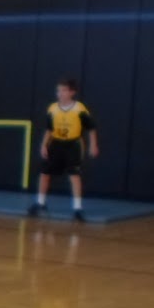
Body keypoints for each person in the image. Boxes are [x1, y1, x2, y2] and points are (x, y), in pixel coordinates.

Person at [28, 78, 99, 222]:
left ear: (72, 92)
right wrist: (43, 145)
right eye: (58, 90)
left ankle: (77, 208)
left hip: (73, 144)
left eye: (63, 90)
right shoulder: (53, 109)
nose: (60, 93)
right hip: (56, 143)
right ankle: (40, 203)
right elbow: (49, 129)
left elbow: (91, 128)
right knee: (44, 173)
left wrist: (93, 145)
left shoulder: (79, 109)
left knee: (74, 175)